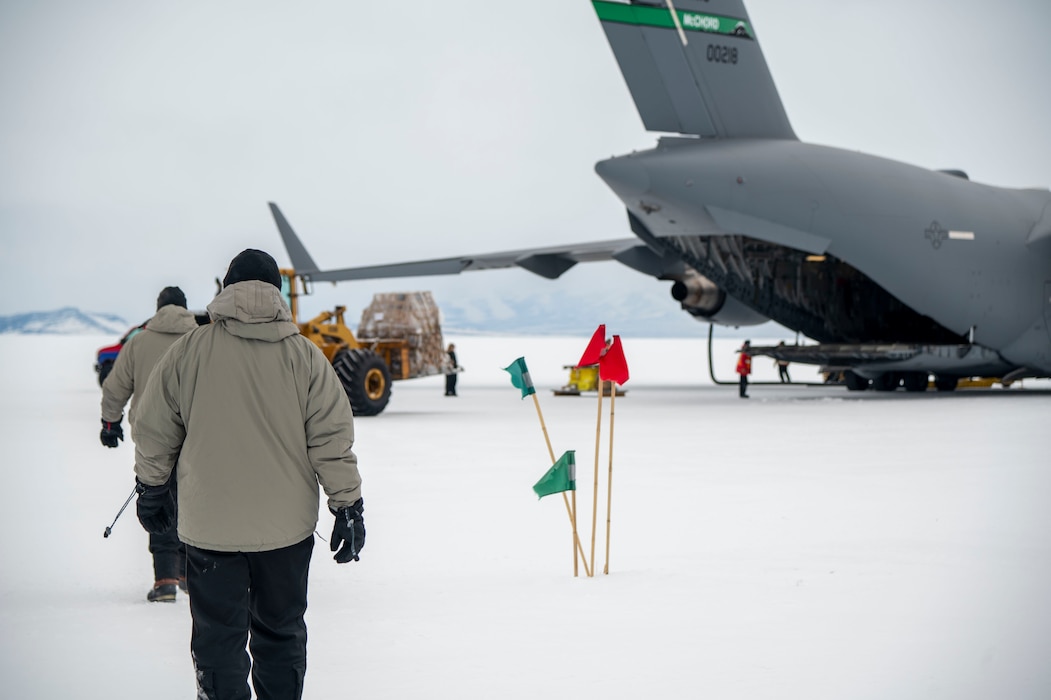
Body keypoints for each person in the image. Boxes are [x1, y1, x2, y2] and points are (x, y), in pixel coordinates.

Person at [131, 249, 364, 700]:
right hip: (286, 531)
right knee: (280, 632)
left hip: (210, 528)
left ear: (226, 289)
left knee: (218, 637)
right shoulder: (306, 357)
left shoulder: (189, 351)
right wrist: (348, 505)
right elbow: (332, 439)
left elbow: (154, 429)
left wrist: (152, 487)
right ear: (277, 293)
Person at [99, 285, 198, 602]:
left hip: (152, 436)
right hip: (197, 434)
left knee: (157, 498)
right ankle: (187, 573)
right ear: (185, 308)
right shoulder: (203, 339)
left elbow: (115, 387)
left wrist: (110, 423)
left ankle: (165, 579)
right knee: (194, 501)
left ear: (158, 310)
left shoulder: (138, 342)